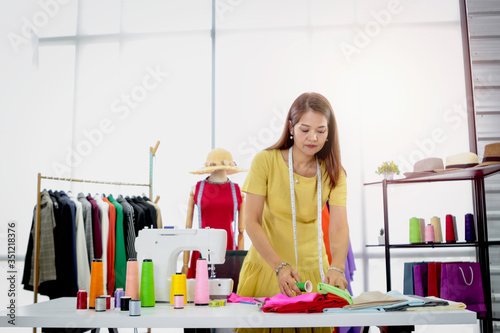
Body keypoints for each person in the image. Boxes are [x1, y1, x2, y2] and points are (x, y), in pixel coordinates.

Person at [236, 92, 349, 332]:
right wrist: (280, 266)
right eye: (305, 129)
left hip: (313, 275)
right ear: (291, 126)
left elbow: (338, 226)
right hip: (269, 267)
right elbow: (252, 221)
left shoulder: (334, 173)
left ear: (330, 132)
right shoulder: (265, 162)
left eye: (321, 130)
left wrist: (337, 266)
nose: (313, 138)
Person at [182, 148, 246, 278]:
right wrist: (185, 265)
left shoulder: (237, 191)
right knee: (200, 291)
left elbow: (241, 231)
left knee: (225, 288)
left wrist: (240, 266)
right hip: (201, 245)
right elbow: (188, 229)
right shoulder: (197, 189)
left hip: (227, 247)